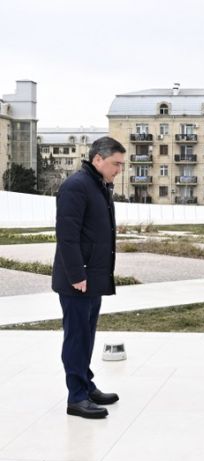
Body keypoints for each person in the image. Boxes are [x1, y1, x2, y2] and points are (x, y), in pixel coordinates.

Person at [52, 136, 126, 418]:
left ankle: (86, 385)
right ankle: (77, 397)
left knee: (87, 336)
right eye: (115, 164)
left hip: (91, 278)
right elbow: (67, 235)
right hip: (78, 280)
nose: (119, 169)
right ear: (98, 159)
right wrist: (76, 274)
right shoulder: (76, 187)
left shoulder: (98, 185)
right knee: (76, 338)